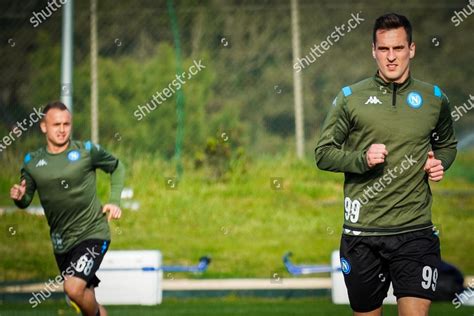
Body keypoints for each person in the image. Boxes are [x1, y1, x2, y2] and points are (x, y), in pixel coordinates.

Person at [315, 13, 457, 316]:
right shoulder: (350, 98)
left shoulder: (435, 99)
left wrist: (439, 163)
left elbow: (446, 145)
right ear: (373, 51)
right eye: (383, 49)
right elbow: (324, 153)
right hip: (362, 235)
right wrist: (361, 159)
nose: (391, 57)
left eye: (398, 48)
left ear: (412, 49)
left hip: (415, 232)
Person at [10, 101, 125, 316]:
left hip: (93, 233)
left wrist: (115, 201)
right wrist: (19, 196)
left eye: (66, 124)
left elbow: (117, 167)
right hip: (62, 243)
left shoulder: (86, 151)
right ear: (44, 127)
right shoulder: (32, 162)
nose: (62, 130)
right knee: (84, 296)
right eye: (56, 125)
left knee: (73, 288)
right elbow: (25, 199)